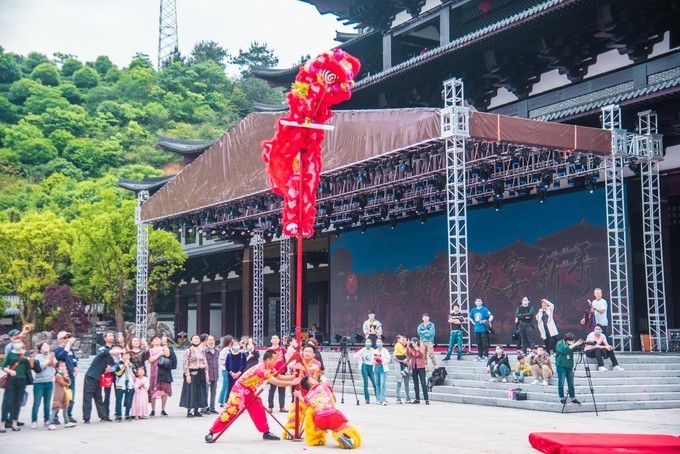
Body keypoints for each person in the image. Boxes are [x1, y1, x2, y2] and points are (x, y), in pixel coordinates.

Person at [205, 349, 302, 443]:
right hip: (239, 392)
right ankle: (211, 432)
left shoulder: (269, 367)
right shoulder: (262, 370)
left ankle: (265, 432)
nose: (276, 362)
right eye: (275, 359)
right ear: (268, 360)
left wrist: (293, 377)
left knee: (258, 409)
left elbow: (279, 376)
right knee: (230, 412)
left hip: (250, 392)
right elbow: (277, 382)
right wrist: (292, 382)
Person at [296, 375, 362, 449]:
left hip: (319, 419)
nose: (315, 379)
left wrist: (298, 395)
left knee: (314, 427)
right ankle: (346, 437)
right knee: (342, 428)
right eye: (313, 379)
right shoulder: (324, 385)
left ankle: (316, 439)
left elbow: (303, 400)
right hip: (332, 415)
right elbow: (334, 398)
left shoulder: (308, 396)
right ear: (312, 383)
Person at [1, 334, 34, 432]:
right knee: (8, 401)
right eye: (15, 343)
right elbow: (3, 366)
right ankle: (3, 423)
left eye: (19, 342)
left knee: (18, 401)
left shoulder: (26, 353)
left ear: (23, 344)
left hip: (22, 380)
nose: (17, 344)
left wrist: (31, 360)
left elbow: (31, 367)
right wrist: (10, 371)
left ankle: (14, 422)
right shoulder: (11, 354)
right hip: (11, 380)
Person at [82, 342, 122, 423]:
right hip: (91, 376)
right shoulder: (103, 353)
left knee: (99, 397)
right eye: (117, 350)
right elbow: (108, 352)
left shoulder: (111, 359)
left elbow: (113, 367)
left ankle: (103, 416)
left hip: (98, 378)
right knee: (88, 397)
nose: (118, 352)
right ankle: (86, 418)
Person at [180, 334, 209, 417]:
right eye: (194, 338)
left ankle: (196, 410)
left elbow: (205, 362)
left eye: (197, 338)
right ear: (191, 340)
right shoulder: (188, 351)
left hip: (201, 372)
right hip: (192, 372)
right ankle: (189, 410)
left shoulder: (202, 351)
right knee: (191, 391)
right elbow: (185, 363)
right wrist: (187, 375)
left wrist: (207, 373)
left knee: (200, 391)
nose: (196, 340)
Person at [53, 331, 78, 424]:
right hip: (61, 377)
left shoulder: (71, 350)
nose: (67, 339)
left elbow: (74, 360)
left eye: (68, 337)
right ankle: (55, 416)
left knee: (71, 397)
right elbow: (61, 356)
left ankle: (68, 415)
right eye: (65, 337)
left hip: (71, 375)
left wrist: (75, 369)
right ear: (60, 339)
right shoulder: (57, 350)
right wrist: (68, 345)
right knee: (60, 397)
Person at [149, 334, 176, 417]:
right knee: (153, 391)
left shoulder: (164, 348)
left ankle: (163, 409)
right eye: (155, 339)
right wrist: (159, 354)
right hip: (154, 372)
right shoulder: (150, 350)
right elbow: (150, 360)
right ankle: (153, 409)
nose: (157, 340)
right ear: (152, 342)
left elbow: (167, 355)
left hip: (164, 371)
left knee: (164, 391)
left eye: (158, 339)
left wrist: (165, 344)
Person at [31, 341, 56, 429]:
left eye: (47, 345)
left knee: (47, 403)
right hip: (39, 383)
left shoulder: (51, 355)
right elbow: (39, 368)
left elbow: (56, 365)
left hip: (49, 382)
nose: (46, 346)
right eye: (44, 345)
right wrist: (49, 359)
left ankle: (47, 420)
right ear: (40, 349)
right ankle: (34, 421)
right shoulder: (38, 357)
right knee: (37, 403)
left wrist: (52, 359)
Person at [555, 333, 582, 405]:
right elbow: (564, 349)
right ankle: (562, 398)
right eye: (572, 340)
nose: (572, 342)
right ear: (567, 339)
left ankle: (573, 397)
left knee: (571, 383)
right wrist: (575, 344)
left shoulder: (572, 344)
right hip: (561, 366)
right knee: (561, 382)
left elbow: (575, 348)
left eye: (574, 340)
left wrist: (580, 345)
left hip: (569, 366)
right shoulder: (560, 343)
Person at [49, 361, 75, 430]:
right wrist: (67, 381)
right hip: (58, 395)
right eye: (62, 366)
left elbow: (69, 382)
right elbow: (63, 383)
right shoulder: (58, 375)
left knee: (65, 408)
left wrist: (67, 377)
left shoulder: (64, 375)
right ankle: (50, 423)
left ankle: (67, 422)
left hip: (64, 395)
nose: (64, 367)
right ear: (57, 368)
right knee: (55, 409)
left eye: (65, 366)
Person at [267, 335, 289, 413]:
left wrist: (288, 369)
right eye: (273, 338)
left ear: (279, 340)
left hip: (282, 372)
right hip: (272, 373)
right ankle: (270, 407)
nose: (275, 340)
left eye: (276, 338)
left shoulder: (282, 349)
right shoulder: (269, 350)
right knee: (272, 390)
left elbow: (287, 359)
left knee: (282, 390)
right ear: (271, 341)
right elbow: (266, 362)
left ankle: (282, 407)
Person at [113, 350, 135, 421]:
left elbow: (134, 374)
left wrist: (130, 366)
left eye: (128, 355)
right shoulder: (118, 365)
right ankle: (118, 414)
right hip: (120, 384)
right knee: (119, 400)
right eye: (125, 355)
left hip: (129, 384)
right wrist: (124, 367)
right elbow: (118, 374)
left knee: (128, 400)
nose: (126, 357)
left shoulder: (132, 365)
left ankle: (127, 414)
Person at [98, 331, 116, 420]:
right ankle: (105, 414)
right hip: (105, 373)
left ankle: (118, 413)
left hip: (116, 373)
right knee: (106, 394)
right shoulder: (101, 349)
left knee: (117, 394)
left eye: (112, 335)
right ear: (104, 338)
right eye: (109, 336)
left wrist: (112, 368)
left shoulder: (116, 348)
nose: (111, 337)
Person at [353, 338, 377, 404]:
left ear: (371, 343)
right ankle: (367, 398)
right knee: (366, 382)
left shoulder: (373, 350)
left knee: (374, 382)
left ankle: (378, 397)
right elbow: (355, 356)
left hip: (371, 367)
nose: (368, 343)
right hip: (364, 366)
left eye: (369, 342)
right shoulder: (363, 350)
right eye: (367, 342)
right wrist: (361, 358)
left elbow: (375, 357)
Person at [406, 337, 429, 405]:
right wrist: (407, 346)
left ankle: (426, 399)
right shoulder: (412, 349)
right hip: (414, 367)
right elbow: (407, 353)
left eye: (413, 343)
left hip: (421, 367)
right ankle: (417, 399)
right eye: (412, 343)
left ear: (416, 342)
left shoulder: (421, 348)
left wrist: (417, 349)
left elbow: (422, 354)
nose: (412, 344)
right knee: (415, 384)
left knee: (423, 382)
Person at [203, 335, 220, 414]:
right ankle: (204, 408)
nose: (211, 341)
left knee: (213, 392)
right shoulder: (204, 351)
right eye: (209, 340)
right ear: (206, 341)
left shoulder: (218, 351)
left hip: (215, 374)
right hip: (207, 375)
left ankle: (212, 408)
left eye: (212, 340)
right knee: (205, 392)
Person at [393, 335, 411, 404]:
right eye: (403, 339)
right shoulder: (398, 345)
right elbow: (395, 358)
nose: (404, 341)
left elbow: (409, 356)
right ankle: (398, 398)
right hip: (399, 368)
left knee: (406, 383)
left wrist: (407, 359)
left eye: (405, 340)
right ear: (398, 340)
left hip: (406, 367)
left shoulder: (405, 347)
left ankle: (408, 397)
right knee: (399, 383)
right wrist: (403, 361)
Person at [373, 338, 391, 406]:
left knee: (382, 384)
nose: (378, 343)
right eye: (377, 342)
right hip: (376, 368)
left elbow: (388, 359)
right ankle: (378, 399)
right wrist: (374, 360)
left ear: (382, 343)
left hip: (383, 368)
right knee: (377, 384)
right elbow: (372, 360)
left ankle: (383, 399)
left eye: (379, 342)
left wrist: (381, 358)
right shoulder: (374, 351)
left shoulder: (385, 351)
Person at [217, 335, 234, 407]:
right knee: (225, 385)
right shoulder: (224, 350)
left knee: (228, 385)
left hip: (231, 369)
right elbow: (222, 360)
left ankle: (224, 400)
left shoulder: (231, 349)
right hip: (226, 369)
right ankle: (223, 400)